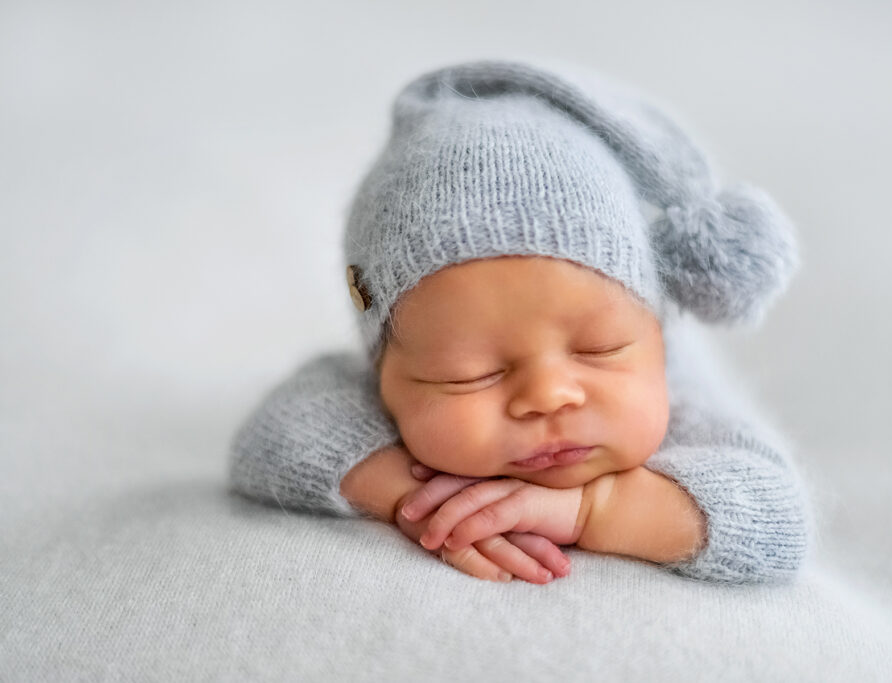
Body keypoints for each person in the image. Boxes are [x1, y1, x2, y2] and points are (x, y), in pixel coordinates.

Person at [228, 58, 814, 586]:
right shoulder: (370, 387)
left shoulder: (683, 402)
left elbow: (778, 518)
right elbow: (271, 437)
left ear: (656, 334)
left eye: (601, 348)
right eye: (470, 374)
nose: (548, 395)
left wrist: (593, 510)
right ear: (384, 371)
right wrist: (417, 497)